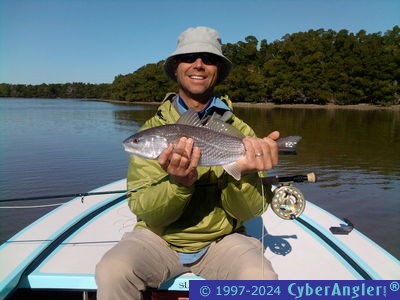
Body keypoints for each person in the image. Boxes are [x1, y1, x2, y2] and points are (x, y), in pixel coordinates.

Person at [95, 26, 279, 300]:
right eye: (189, 57)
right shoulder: (154, 128)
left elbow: (248, 211)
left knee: (261, 280)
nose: (199, 65)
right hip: (159, 238)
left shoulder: (241, 131)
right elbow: (147, 211)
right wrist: (179, 185)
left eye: (208, 58)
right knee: (112, 270)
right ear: (175, 67)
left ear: (218, 69)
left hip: (221, 241)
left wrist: (245, 173)